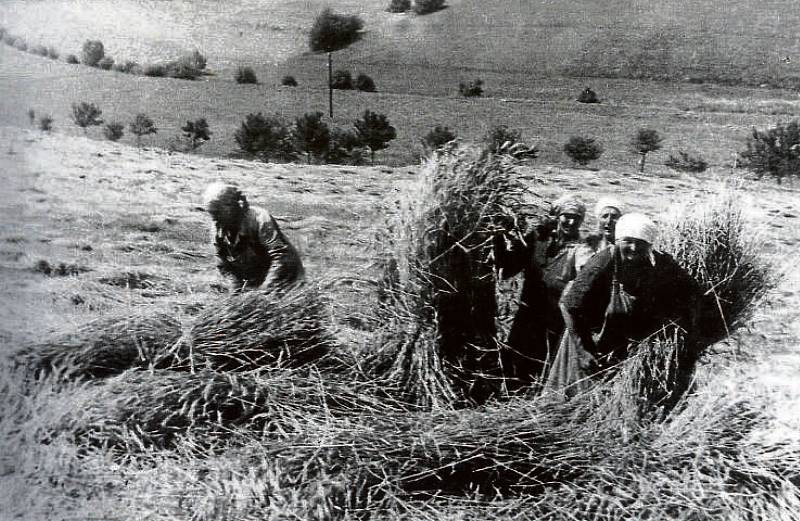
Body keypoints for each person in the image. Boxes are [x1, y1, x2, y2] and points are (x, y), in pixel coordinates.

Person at [545, 213, 701, 397]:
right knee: (580, 395)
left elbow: (693, 293)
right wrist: (583, 351)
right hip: (588, 339)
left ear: (650, 245)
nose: (634, 248)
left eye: (641, 243)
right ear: (619, 239)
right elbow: (568, 304)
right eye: (628, 241)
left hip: (622, 341)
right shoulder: (603, 261)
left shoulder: (661, 263)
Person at [493, 195, 587, 384]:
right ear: (557, 216)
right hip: (528, 315)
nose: (571, 222)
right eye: (567, 216)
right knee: (516, 365)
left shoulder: (581, 249)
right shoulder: (538, 240)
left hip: (555, 319)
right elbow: (509, 267)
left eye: (577, 218)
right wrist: (499, 237)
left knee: (546, 368)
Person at [202, 183, 304, 292]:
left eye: (217, 213)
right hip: (254, 279)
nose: (215, 220)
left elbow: (280, 255)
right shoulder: (217, 227)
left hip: (285, 277)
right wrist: (236, 288)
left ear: (231, 206)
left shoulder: (259, 218)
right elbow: (223, 266)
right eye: (212, 214)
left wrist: (265, 289)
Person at [575, 197, 624, 272]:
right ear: (598, 219)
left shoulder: (625, 245)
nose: (609, 221)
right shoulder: (589, 243)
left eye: (614, 217)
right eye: (604, 216)